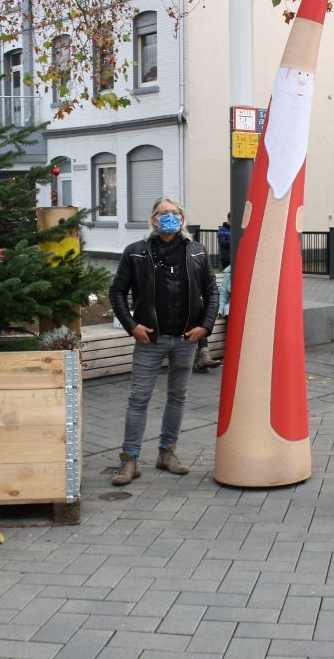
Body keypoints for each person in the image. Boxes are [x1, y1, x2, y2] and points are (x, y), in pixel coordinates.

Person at [109, 197, 219, 485]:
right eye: (163, 213)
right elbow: (117, 291)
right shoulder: (136, 252)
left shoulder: (196, 251)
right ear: (153, 220)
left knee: (177, 398)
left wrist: (205, 327)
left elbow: (212, 292)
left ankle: (167, 453)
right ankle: (130, 459)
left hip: (186, 339)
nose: (169, 217)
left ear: (182, 219)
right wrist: (132, 326)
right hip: (150, 340)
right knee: (138, 399)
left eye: (174, 212)